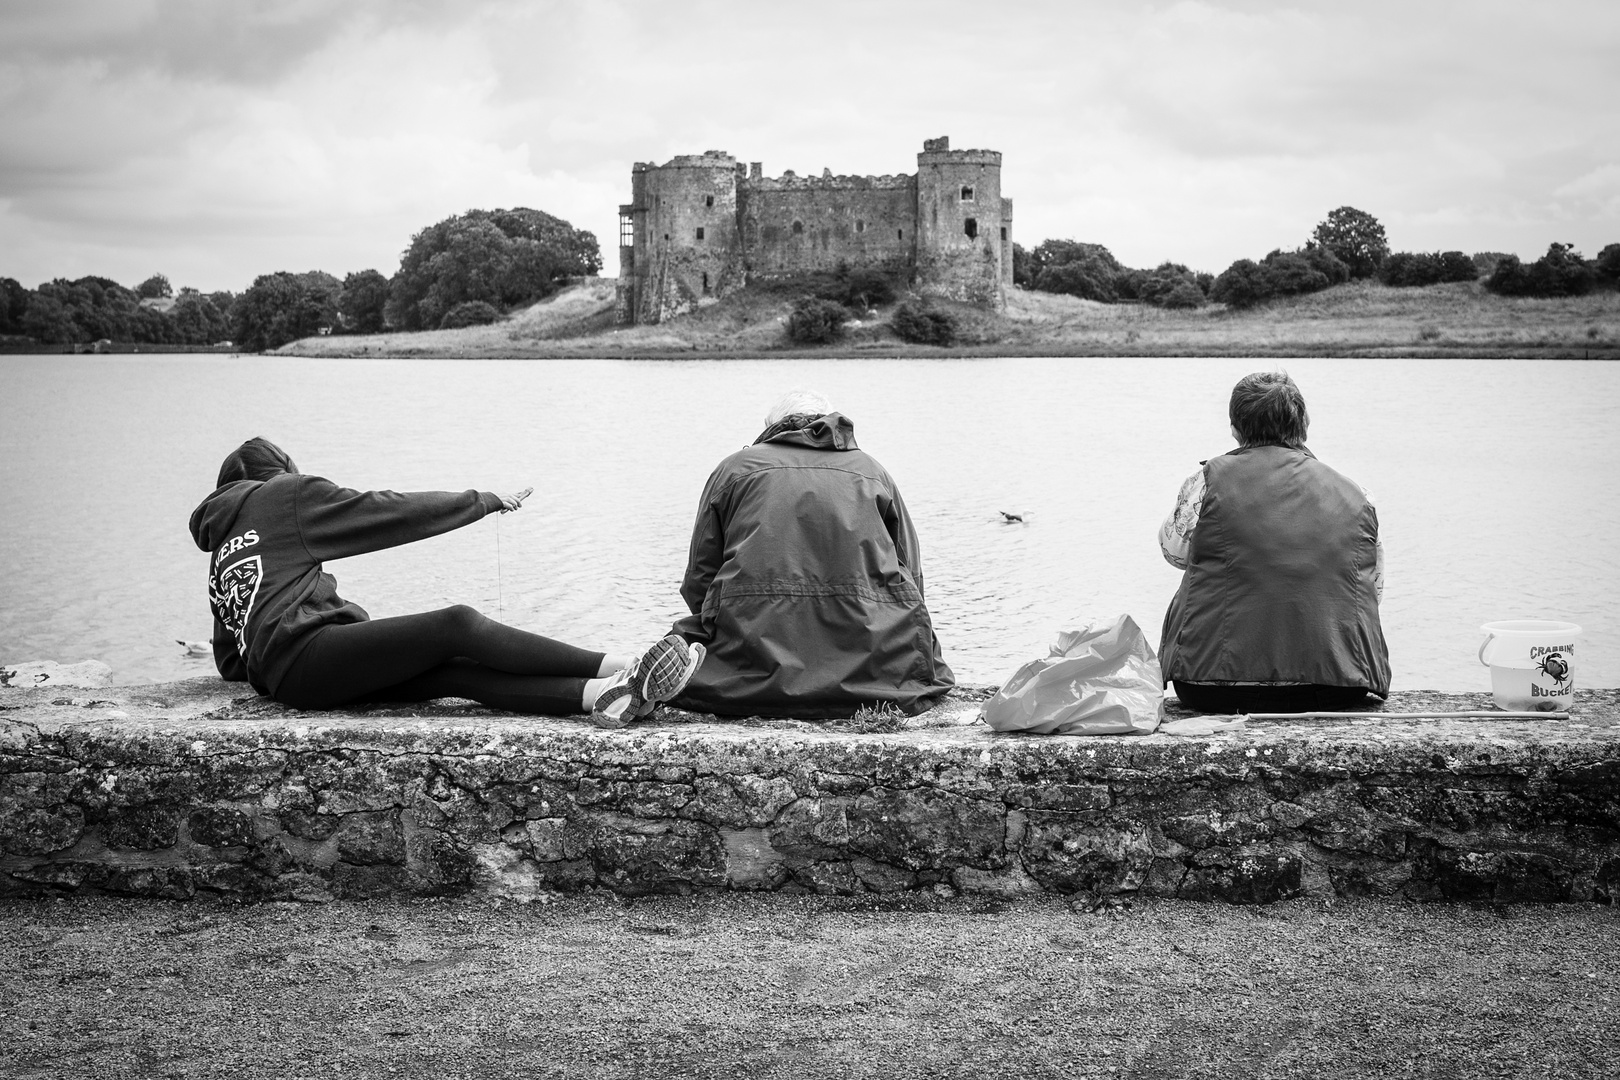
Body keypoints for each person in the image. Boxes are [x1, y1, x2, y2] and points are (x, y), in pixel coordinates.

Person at [189, 437, 701, 729]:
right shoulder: (282, 496)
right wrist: (482, 500)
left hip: (295, 681)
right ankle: (626, 665)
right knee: (456, 625)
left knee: (453, 674)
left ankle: (600, 697)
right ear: (281, 473)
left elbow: (232, 664)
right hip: (310, 659)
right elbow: (384, 511)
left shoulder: (221, 553)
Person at [668, 390, 954, 718]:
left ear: (769, 427)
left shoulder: (734, 470)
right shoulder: (872, 472)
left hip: (746, 670)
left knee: (684, 650)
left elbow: (699, 583)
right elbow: (912, 579)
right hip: (873, 674)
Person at [1157, 372, 1390, 713]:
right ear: (1304, 425)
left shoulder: (1206, 482)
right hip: (1336, 687)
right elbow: (1373, 588)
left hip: (1212, 686)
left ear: (1236, 428)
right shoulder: (1357, 496)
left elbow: (1174, 552)